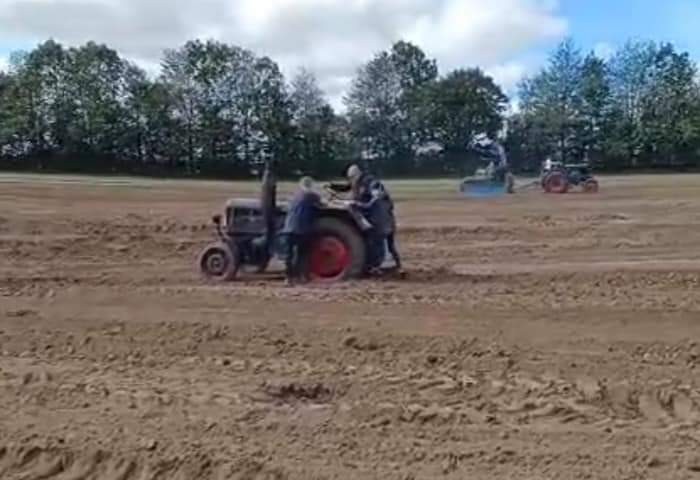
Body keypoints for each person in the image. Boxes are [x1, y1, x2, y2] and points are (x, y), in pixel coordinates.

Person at [353, 180, 402, 273]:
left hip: (383, 228)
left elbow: (367, 206)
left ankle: (378, 266)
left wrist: (355, 204)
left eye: (374, 190)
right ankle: (398, 266)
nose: (373, 192)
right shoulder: (387, 199)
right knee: (391, 247)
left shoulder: (376, 199)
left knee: (378, 247)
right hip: (390, 227)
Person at [282, 176, 322, 285]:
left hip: (288, 228)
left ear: (300, 185)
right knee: (302, 254)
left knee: (288, 255)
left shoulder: (294, 196)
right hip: (302, 229)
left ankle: (288, 278)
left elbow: (287, 207)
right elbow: (321, 204)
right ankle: (302, 277)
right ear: (310, 185)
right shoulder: (312, 195)